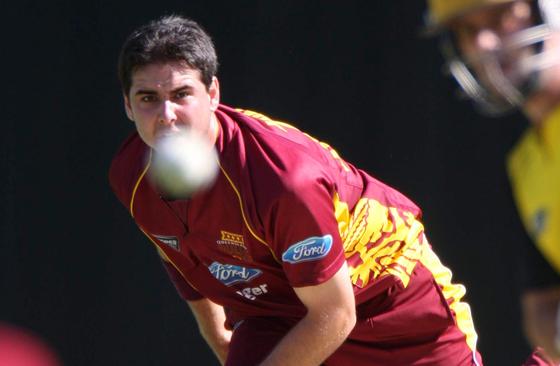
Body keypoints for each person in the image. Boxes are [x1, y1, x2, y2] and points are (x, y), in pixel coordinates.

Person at [110, 15, 483, 366]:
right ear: (128, 105)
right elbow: (180, 253)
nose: (166, 114)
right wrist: (221, 341)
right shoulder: (132, 176)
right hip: (279, 311)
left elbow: (336, 312)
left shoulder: (284, 181)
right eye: (147, 98)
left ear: (213, 94)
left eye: (181, 94)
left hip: (394, 309)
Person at [425, 0, 560, 364]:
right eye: (468, 29)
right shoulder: (526, 167)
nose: (484, 43)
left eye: (501, 17)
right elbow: (542, 307)